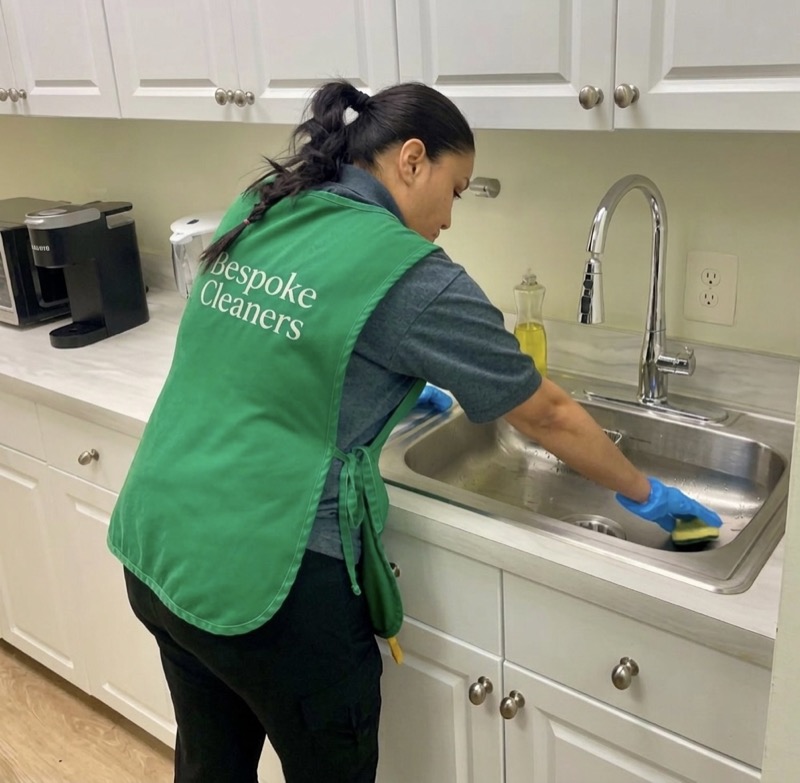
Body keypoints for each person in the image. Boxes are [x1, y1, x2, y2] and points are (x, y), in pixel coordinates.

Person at [108, 79, 722, 783]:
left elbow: (285, 343)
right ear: (410, 160)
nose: (451, 217)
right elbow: (545, 411)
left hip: (159, 543)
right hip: (269, 585)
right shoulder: (409, 272)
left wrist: (383, 379)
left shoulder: (268, 202)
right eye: (456, 189)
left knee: (210, 769)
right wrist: (643, 491)